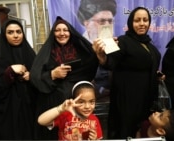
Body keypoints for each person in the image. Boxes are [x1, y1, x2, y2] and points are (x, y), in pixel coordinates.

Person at [93, 7, 161, 139]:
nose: (142, 23)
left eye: (145, 20)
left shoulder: (148, 44)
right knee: (127, 129)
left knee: (141, 130)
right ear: (130, 22)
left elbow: (145, 64)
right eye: (137, 20)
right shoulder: (124, 41)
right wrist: (102, 56)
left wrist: (156, 73)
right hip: (128, 98)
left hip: (145, 97)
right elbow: (111, 62)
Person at [30, 16, 99, 140]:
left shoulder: (80, 50)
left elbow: (90, 68)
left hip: (76, 102)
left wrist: (98, 52)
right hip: (51, 102)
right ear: (53, 33)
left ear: (70, 32)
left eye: (65, 30)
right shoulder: (46, 51)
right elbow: (35, 77)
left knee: (76, 133)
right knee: (52, 134)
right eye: (57, 30)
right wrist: (52, 74)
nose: (62, 33)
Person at [0, 19, 37, 139]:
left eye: (18, 32)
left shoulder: (30, 54)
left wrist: (32, 76)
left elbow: (40, 78)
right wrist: (9, 71)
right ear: (4, 35)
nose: (15, 35)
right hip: (10, 110)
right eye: (10, 32)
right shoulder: (0, 57)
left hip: (30, 107)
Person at [38, 81, 103, 140]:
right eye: (81, 102)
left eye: (91, 102)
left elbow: (98, 138)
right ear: (73, 101)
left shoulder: (94, 120)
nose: (87, 106)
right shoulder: (66, 115)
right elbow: (41, 121)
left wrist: (95, 139)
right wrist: (60, 109)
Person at [77, 0, 117, 98]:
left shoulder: (116, 46)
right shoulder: (78, 47)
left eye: (110, 21)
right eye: (102, 21)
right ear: (87, 24)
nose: (107, 25)